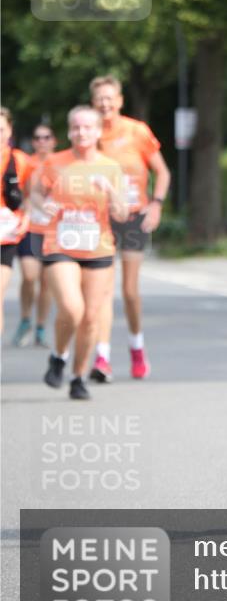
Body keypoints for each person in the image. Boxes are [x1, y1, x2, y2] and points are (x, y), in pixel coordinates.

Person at [35, 106, 128, 400]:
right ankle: (59, 354)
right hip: (59, 244)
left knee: (90, 317)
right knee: (72, 309)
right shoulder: (55, 162)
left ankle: (77, 376)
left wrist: (111, 192)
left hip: (97, 247)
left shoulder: (111, 167)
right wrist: (43, 203)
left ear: (99, 131)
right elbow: (35, 192)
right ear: (69, 131)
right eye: (76, 127)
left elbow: (123, 213)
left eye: (88, 127)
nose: (81, 132)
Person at [88, 75, 170, 382]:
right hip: (102, 218)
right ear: (93, 103)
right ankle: (102, 357)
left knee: (130, 291)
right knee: (102, 289)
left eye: (110, 98)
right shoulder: (90, 135)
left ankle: (137, 348)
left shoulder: (137, 131)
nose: (105, 104)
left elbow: (161, 172)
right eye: (100, 99)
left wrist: (157, 204)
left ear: (120, 101)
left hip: (135, 216)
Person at [11, 124, 57, 347]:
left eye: (46, 137)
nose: (41, 141)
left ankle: (39, 326)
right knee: (29, 276)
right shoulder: (26, 163)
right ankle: (25, 318)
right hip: (30, 227)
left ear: (54, 141)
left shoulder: (62, 163)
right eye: (37, 138)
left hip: (52, 230)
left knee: (46, 282)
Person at [0, 107, 31, 339]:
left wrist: (27, 216)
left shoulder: (21, 160)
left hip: (6, 236)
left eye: (1, 129)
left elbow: (34, 194)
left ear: (9, 130)